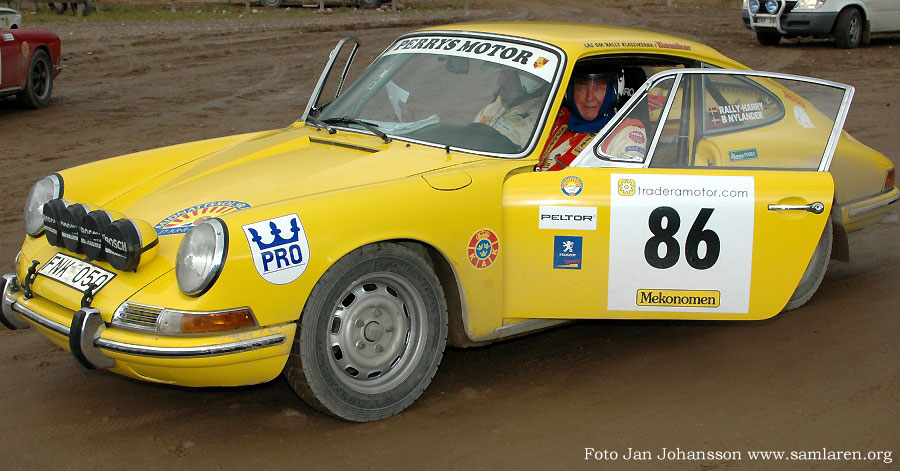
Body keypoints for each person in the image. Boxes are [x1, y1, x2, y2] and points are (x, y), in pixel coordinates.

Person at [537, 68, 647, 171]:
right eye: (582, 88)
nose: (589, 98)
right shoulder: (556, 123)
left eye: (598, 89)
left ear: (613, 92)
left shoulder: (626, 133)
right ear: (570, 92)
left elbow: (625, 184)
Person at [474, 68, 546, 150]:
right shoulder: (492, 108)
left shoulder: (537, 124)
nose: (499, 81)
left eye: (505, 75)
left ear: (527, 82)